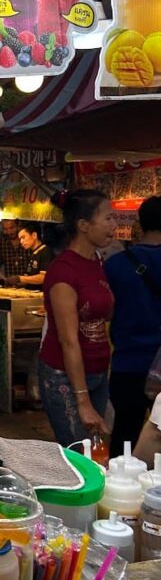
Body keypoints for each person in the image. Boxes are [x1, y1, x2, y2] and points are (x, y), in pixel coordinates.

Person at [38, 189, 116, 445]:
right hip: (64, 377)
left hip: (97, 372)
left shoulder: (97, 261)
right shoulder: (63, 271)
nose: (113, 225)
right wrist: (82, 400)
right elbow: (68, 340)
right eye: (108, 218)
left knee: (97, 449)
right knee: (79, 454)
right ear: (83, 225)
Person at [105, 195, 161, 454]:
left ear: (140, 222)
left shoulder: (116, 264)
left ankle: (119, 486)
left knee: (125, 435)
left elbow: (107, 312)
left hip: (128, 364)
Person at [13, 222, 53, 287]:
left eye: (23, 237)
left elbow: (44, 277)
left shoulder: (45, 252)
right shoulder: (33, 253)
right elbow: (29, 277)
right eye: (20, 239)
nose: (21, 242)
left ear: (34, 235)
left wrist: (20, 278)